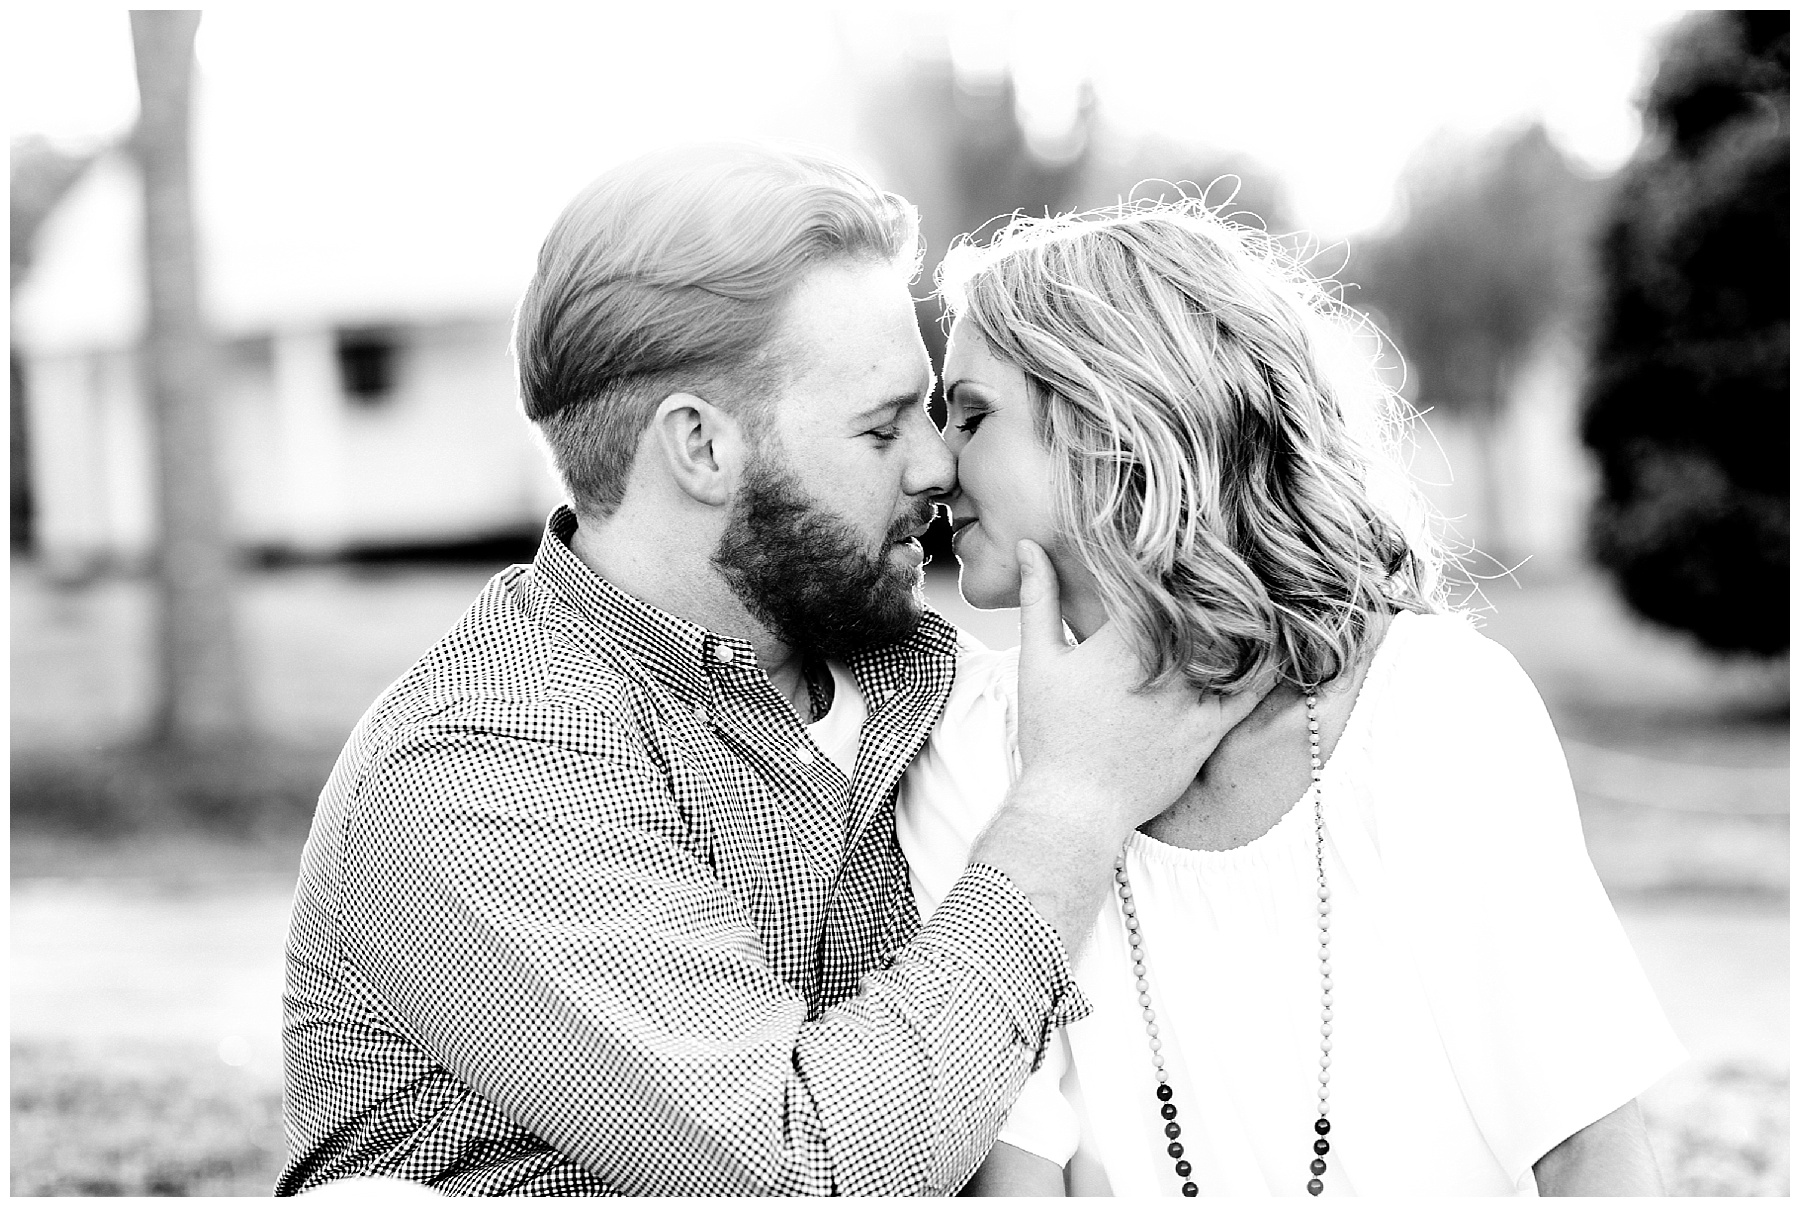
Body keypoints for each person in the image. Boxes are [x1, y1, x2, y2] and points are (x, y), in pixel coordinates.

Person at [277, 146, 1261, 1196]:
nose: (936, 465)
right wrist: (1070, 807)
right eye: (883, 424)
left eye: (936, 412)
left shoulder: (937, 689)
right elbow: (799, 1172)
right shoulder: (482, 764)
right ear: (701, 448)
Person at [897, 200, 1686, 1196]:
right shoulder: (970, 755)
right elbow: (1018, 1180)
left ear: (1118, 417)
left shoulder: (1434, 711)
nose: (932, 465)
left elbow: (1591, 1156)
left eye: (971, 415)